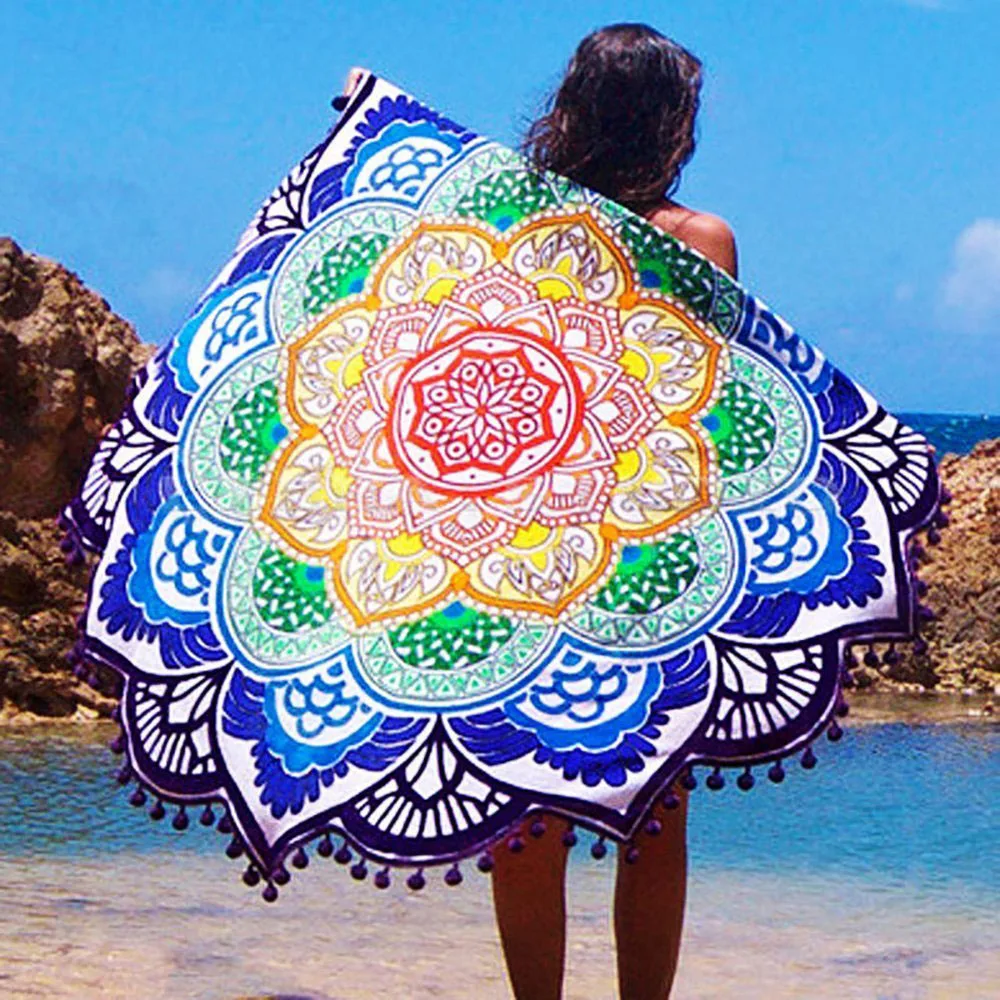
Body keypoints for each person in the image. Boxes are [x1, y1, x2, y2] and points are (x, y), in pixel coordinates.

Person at [490, 24, 737, 1000]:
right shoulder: (699, 241)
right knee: (655, 815)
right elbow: (714, 407)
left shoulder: (511, 231)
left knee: (526, 817)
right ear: (668, 120)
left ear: (573, 111)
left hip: (520, 546)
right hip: (648, 551)